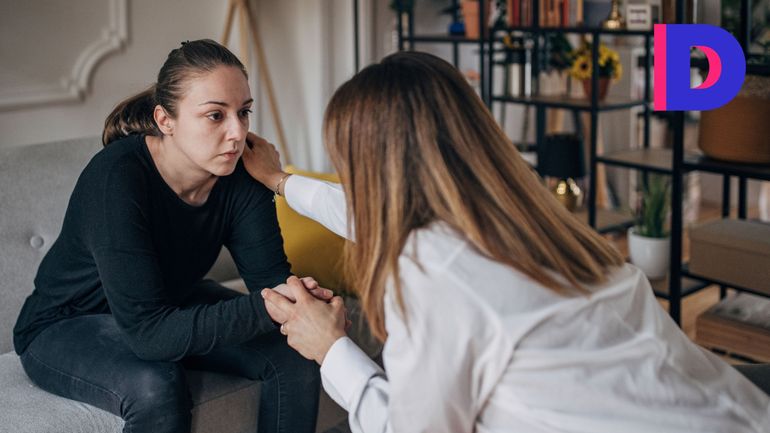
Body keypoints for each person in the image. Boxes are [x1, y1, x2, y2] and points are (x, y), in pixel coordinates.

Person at [244, 51, 770, 433]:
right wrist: (282, 182)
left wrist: (330, 348)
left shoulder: (434, 271)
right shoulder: (533, 218)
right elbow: (375, 214)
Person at [13, 39, 328, 433]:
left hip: (168, 306)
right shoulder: (116, 178)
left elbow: (271, 285)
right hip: (66, 324)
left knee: (294, 352)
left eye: (243, 112)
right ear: (165, 120)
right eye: (216, 115)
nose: (237, 133)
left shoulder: (240, 175)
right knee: (154, 385)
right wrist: (271, 306)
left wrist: (304, 304)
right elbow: (149, 336)